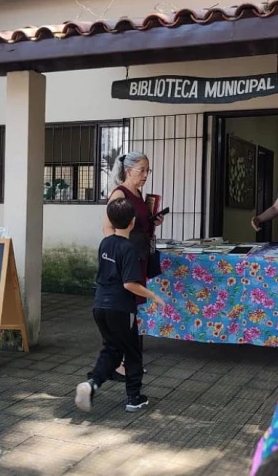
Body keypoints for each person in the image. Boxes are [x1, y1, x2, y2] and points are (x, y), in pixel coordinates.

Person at [77, 197, 165, 413]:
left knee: (112, 350)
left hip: (100, 306)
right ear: (133, 222)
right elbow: (129, 284)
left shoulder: (104, 243)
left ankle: (91, 385)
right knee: (133, 351)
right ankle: (134, 397)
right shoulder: (128, 249)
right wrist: (154, 296)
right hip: (121, 308)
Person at [102, 151, 164, 379]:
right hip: (126, 259)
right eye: (142, 170)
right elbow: (108, 228)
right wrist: (117, 255)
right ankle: (117, 363)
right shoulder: (120, 193)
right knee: (123, 310)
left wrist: (154, 222)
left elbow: (140, 228)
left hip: (140, 256)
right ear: (129, 171)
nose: (146, 175)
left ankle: (127, 360)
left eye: (148, 170)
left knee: (131, 310)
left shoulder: (138, 194)